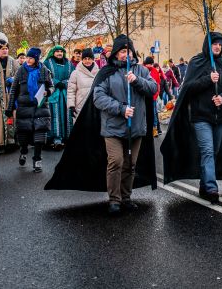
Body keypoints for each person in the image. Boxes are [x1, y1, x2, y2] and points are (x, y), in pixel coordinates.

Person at [45, 35, 158, 214]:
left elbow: (153, 89)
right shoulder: (106, 72)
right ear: (116, 53)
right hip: (112, 127)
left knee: (130, 164)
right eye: (122, 51)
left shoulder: (141, 70)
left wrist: (136, 81)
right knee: (116, 161)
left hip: (135, 128)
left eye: (128, 51)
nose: (126, 55)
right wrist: (120, 109)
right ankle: (114, 199)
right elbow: (98, 98)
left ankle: (126, 197)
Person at [160, 32, 222, 204]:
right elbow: (188, 88)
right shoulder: (197, 62)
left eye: (220, 44)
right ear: (208, 44)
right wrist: (208, 79)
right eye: (215, 44)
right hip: (201, 116)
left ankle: (205, 185)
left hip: (221, 117)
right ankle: (212, 188)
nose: (218, 47)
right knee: (207, 150)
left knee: (214, 151)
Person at [8, 47, 53, 171]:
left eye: (31, 58)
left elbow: (51, 86)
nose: (28, 60)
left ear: (37, 59)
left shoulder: (44, 70)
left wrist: (48, 92)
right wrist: (10, 107)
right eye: (27, 57)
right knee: (23, 135)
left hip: (40, 107)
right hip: (24, 107)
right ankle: (23, 151)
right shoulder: (21, 71)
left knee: (40, 134)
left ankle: (37, 160)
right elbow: (13, 90)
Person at [0, 39, 19, 152]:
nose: (5, 51)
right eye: (2, 49)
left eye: (6, 48)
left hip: (11, 96)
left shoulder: (12, 61)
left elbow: (19, 75)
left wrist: (12, 80)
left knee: (12, 117)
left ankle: (12, 142)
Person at [43, 45, 74, 148]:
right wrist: (55, 82)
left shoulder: (69, 64)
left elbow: (73, 76)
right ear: (53, 52)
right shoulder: (48, 63)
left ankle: (67, 137)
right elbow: (44, 75)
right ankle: (55, 138)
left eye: (61, 51)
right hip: (53, 92)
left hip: (66, 92)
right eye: (57, 51)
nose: (60, 53)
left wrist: (65, 82)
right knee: (54, 115)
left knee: (67, 114)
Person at [67, 47, 99, 123]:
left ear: (93, 59)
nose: (87, 61)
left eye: (89, 58)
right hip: (80, 105)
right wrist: (71, 105)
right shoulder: (75, 73)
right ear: (82, 59)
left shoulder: (99, 72)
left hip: (95, 105)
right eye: (85, 58)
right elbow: (71, 91)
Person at [143, 57, 162, 137]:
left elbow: (158, 83)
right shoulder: (141, 69)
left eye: (151, 64)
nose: (150, 66)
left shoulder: (155, 71)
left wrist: (156, 93)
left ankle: (155, 129)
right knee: (144, 113)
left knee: (154, 113)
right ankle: (146, 129)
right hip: (143, 96)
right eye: (149, 64)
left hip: (153, 96)